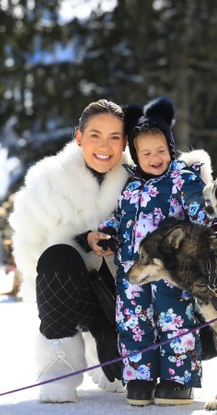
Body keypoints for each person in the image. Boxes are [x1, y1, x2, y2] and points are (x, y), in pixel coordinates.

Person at [94, 97, 217, 406]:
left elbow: (197, 206)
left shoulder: (181, 178)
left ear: (171, 148)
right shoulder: (131, 185)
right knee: (133, 321)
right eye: (146, 152)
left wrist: (212, 225)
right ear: (136, 155)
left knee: (174, 320)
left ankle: (177, 379)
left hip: (171, 271)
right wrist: (107, 230)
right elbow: (120, 216)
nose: (155, 158)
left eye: (161, 150)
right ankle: (139, 377)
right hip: (132, 270)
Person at [8, 99, 131, 402]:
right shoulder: (48, 182)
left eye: (115, 137)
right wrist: (81, 241)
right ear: (79, 137)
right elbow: (33, 255)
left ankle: (132, 350)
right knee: (56, 256)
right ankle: (59, 363)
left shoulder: (142, 177)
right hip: (77, 298)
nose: (105, 146)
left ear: (125, 141)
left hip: (135, 303)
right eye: (95, 135)